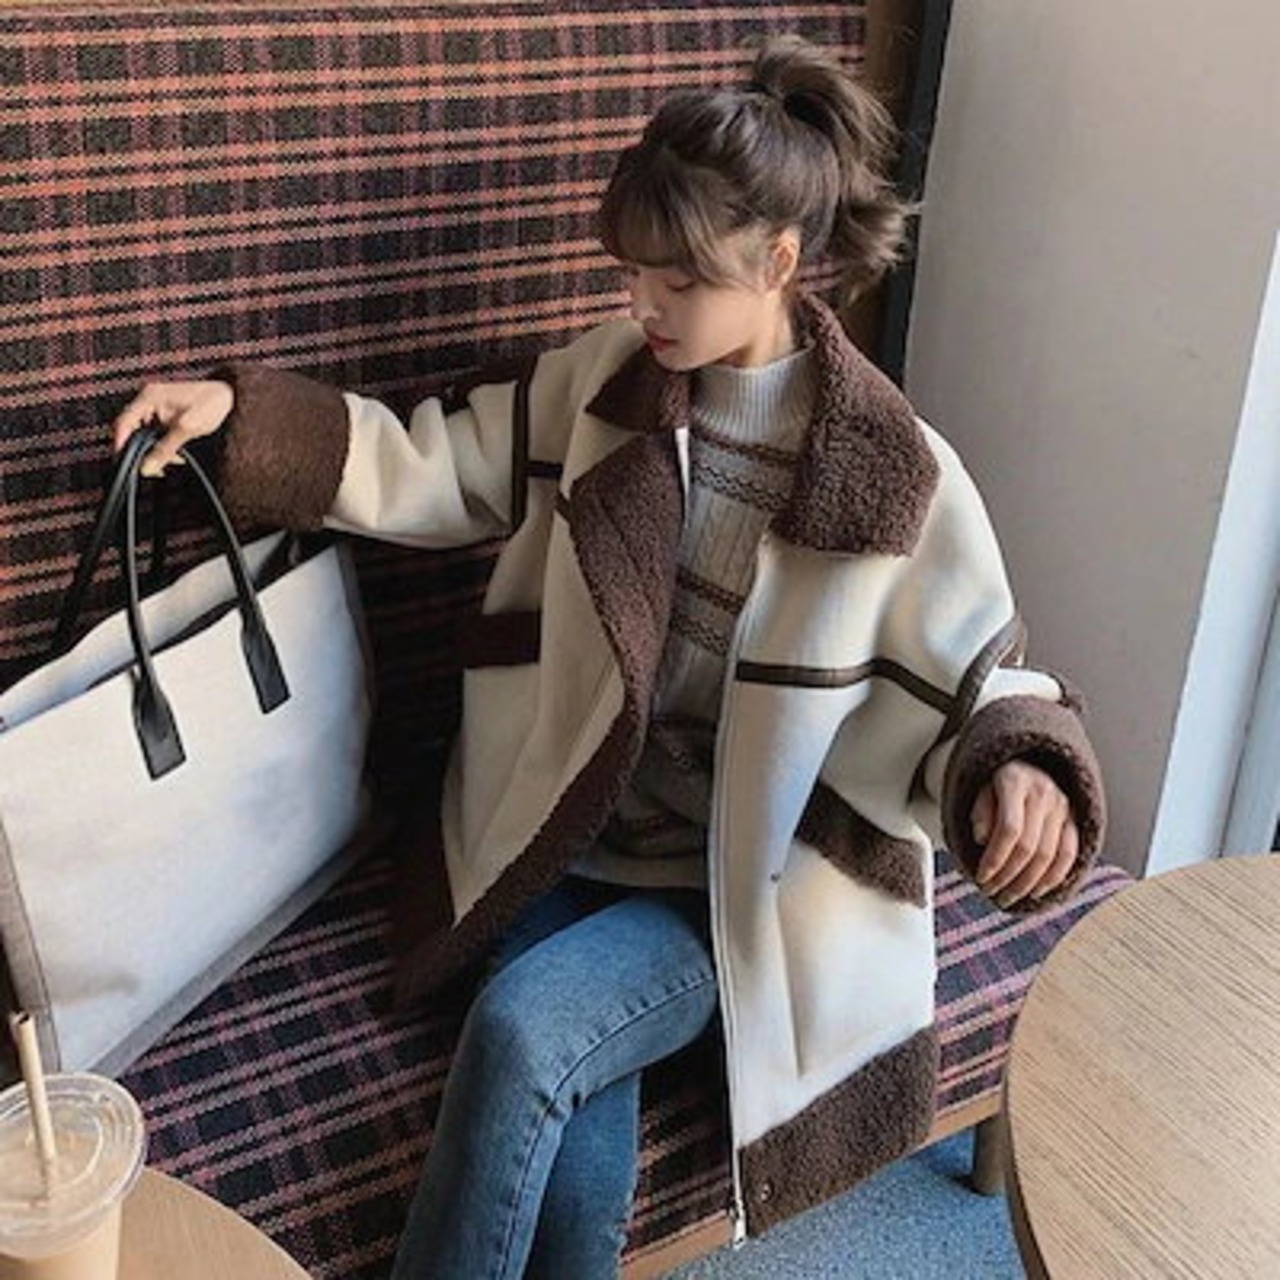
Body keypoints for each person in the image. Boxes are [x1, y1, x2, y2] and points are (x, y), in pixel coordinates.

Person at [113, 34, 1105, 1280]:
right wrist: (239, 418)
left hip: (734, 890)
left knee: (525, 1030)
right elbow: (436, 461)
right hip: (562, 833)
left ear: (777, 262)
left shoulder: (889, 472)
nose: (643, 306)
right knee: (575, 1169)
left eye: (677, 280)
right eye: (631, 272)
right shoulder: (604, 385)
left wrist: (1023, 766)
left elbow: (978, 673)